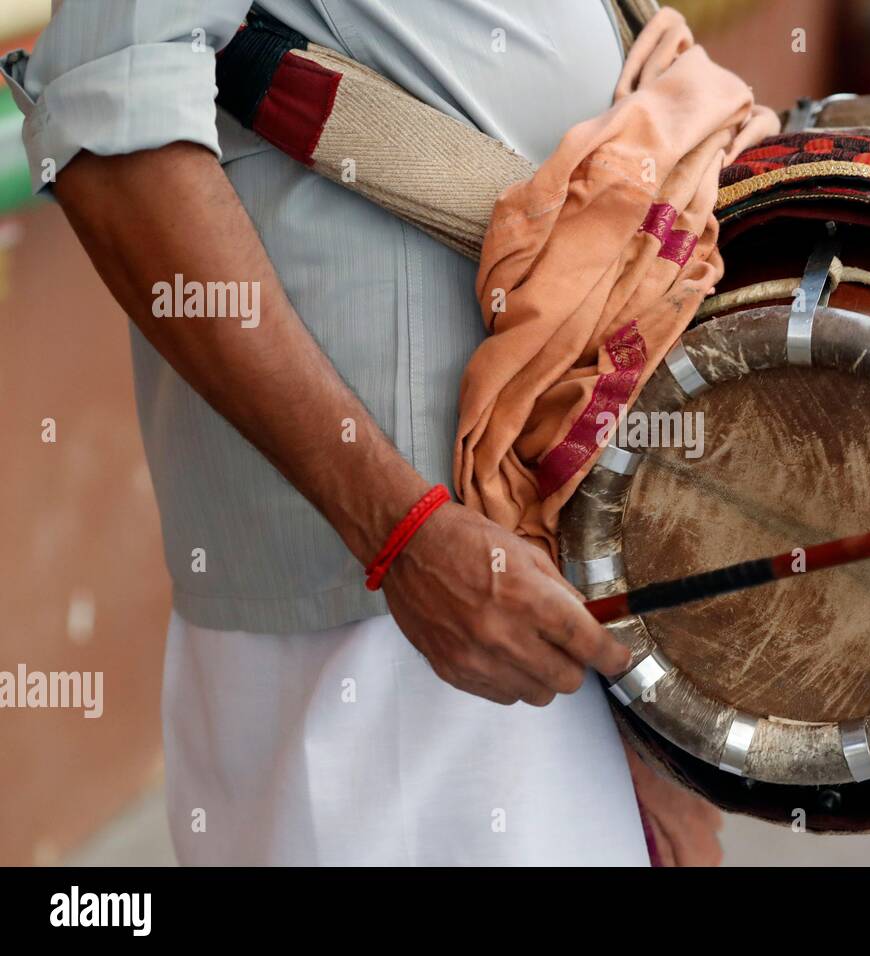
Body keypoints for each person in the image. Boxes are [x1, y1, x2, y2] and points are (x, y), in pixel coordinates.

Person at [4, 0, 722, 865]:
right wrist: (401, 532)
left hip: (559, 565)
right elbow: (114, 134)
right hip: (394, 620)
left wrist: (653, 739)